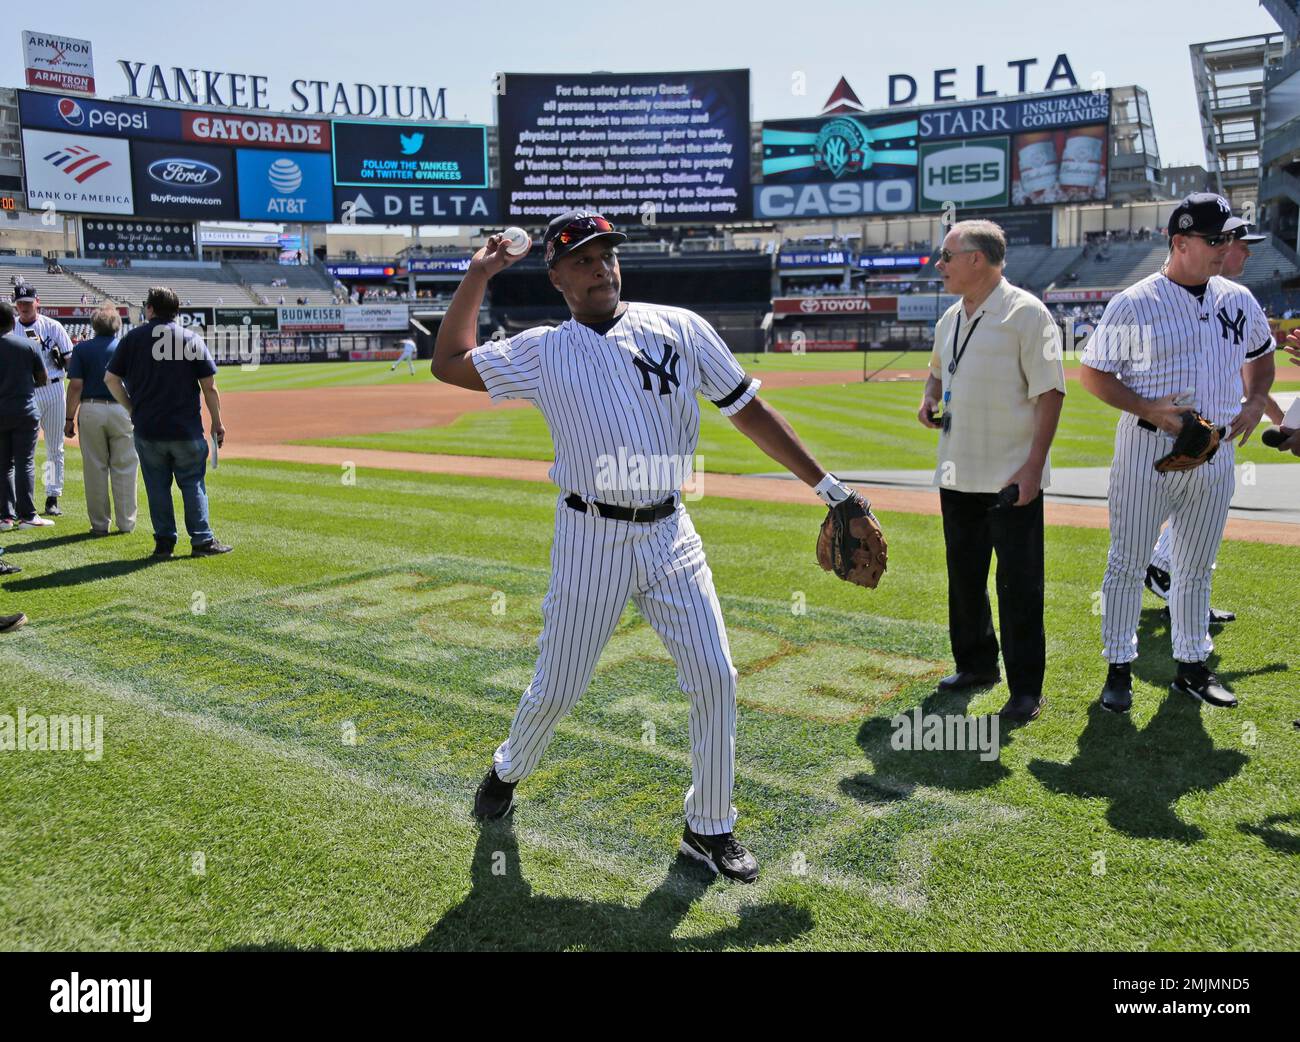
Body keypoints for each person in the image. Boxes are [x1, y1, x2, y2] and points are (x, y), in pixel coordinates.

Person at [433, 210, 865, 883]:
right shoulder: (542, 351)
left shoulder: (679, 327)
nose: (599, 268)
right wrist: (480, 272)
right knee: (558, 688)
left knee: (716, 675)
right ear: (556, 277)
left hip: (670, 531)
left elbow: (747, 408)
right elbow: (449, 363)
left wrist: (829, 487)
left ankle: (709, 828)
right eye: (581, 259)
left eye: (607, 255)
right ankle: (508, 768)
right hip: (589, 536)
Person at [1080, 193, 1275, 713]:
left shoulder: (1237, 298)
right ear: (1180, 242)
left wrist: (1256, 400)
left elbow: (1262, 353)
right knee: (1127, 563)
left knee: (1196, 567)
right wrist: (1151, 409)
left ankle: (1191, 667)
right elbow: (1092, 374)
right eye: (1216, 239)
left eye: (1229, 237)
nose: (1227, 246)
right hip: (1149, 449)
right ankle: (1118, 668)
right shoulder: (1134, 303)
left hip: (1215, 454)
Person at [917, 220, 1066, 724]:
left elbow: (1051, 392)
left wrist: (1033, 467)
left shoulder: (1028, 313)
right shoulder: (951, 317)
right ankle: (976, 664)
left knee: (1019, 587)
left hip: (1010, 479)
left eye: (946, 256)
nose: (939, 264)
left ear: (976, 259)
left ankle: (1026, 691)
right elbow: (939, 368)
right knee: (965, 579)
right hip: (958, 474)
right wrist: (929, 396)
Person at [1144, 223, 1286, 621]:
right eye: (1241, 246)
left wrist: (1275, 416)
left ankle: (1170, 577)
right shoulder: (1184, 299)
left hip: (1208, 428)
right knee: (1193, 507)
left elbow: (1249, 372)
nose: (1244, 254)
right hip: (1172, 428)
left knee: (1202, 507)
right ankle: (1162, 571)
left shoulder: (1231, 300)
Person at [103, 286, 232, 559]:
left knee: (157, 487)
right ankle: (201, 540)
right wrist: (217, 423)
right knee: (192, 482)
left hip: (148, 428)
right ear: (176, 311)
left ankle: (164, 543)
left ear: (150, 309)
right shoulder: (190, 339)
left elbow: (111, 380)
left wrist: (131, 408)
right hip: (186, 428)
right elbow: (209, 386)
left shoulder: (132, 338)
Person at [65, 305, 138, 536]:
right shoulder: (126, 348)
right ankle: (126, 523)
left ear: (94, 325)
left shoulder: (82, 349)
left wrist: (69, 418)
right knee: (125, 466)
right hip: (122, 409)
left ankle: (99, 524)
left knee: (95, 468)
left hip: (91, 408)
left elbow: (76, 386)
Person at [12, 284, 73, 517]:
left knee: (54, 446)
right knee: (22, 449)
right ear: (15, 304)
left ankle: (52, 496)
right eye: (20, 303)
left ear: (37, 301)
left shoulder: (53, 326)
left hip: (54, 390)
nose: (24, 307)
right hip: (25, 392)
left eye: (28, 302)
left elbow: (70, 361)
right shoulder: (11, 329)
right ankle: (20, 500)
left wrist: (63, 363)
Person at [0, 300, 54, 532]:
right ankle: (28, 515)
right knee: (25, 463)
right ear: (12, 320)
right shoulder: (27, 345)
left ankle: (5, 516)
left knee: (3, 465)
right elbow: (42, 378)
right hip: (24, 408)